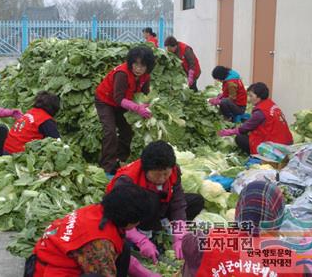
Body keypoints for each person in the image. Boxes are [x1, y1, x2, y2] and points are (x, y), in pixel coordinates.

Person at [29, 183, 161, 277]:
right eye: (137, 221)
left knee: (124, 248)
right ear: (128, 220)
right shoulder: (100, 243)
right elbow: (105, 271)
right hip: (49, 272)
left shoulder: (97, 210)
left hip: (48, 260)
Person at [181, 181, 308, 277]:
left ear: (239, 210)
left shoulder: (207, 240)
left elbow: (187, 242)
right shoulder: (295, 263)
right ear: (278, 216)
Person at [106, 141, 204, 264]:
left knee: (196, 201)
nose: (162, 179)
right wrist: (140, 240)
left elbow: (178, 201)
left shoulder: (173, 170)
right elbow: (118, 217)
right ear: (146, 170)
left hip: (161, 205)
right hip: (137, 215)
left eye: (165, 174)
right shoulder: (127, 181)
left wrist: (180, 234)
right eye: (157, 176)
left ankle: (161, 226)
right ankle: (147, 235)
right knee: (150, 202)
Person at [95, 46, 155, 175]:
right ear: (131, 62)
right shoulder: (122, 74)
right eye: (136, 64)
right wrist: (137, 108)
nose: (138, 69)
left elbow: (145, 95)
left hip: (125, 103)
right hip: (105, 101)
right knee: (110, 131)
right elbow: (118, 99)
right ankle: (107, 165)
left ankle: (120, 159)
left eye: (143, 66)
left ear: (148, 66)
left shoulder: (146, 77)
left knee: (127, 131)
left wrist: (147, 105)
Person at [218, 82, 293, 155]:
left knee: (240, 139)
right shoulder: (270, 104)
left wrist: (229, 132)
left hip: (276, 146)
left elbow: (243, 129)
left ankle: (257, 155)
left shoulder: (260, 112)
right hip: (287, 141)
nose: (249, 99)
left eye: (251, 96)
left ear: (259, 97)